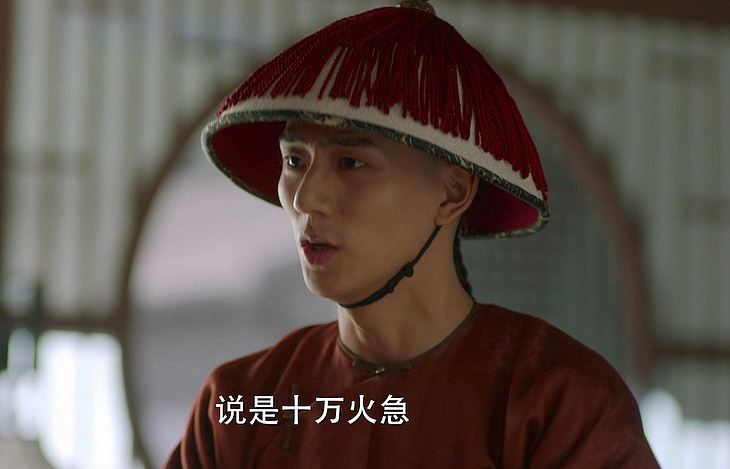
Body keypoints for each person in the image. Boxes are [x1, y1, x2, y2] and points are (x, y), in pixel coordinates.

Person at [166, 1, 659, 467]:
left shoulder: (558, 403)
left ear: (451, 193)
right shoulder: (243, 404)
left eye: (351, 162)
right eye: (295, 160)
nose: (305, 198)